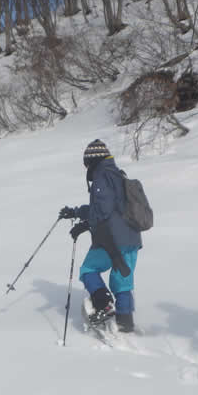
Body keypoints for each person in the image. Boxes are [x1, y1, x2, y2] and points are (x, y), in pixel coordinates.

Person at [59, 139, 142, 332]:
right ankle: (125, 322)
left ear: (92, 161)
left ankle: (104, 305)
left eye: (86, 163)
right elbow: (111, 208)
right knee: (122, 280)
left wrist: (84, 223)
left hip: (111, 238)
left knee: (88, 269)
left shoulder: (101, 177)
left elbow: (103, 211)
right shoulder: (118, 175)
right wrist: (77, 212)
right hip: (132, 237)